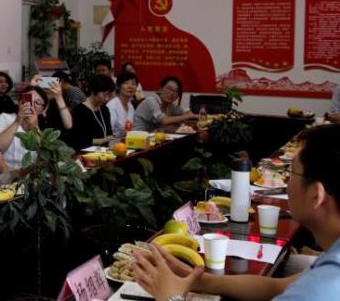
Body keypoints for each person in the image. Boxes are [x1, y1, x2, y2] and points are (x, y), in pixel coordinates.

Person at [132, 124, 340, 301]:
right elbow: (277, 287)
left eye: (292, 172)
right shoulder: (330, 263)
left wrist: (170, 297)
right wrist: (200, 280)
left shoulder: (322, 288)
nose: (287, 181)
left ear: (316, 195)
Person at [0, 85, 49, 170]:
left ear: (43, 110)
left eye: (37, 102)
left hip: (31, 173)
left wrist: (35, 128)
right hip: (6, 172)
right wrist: (17, 122)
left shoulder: (44, 127)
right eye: (28, 100)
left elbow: (45, 158)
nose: (31, 105)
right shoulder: (4, 117)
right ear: (19, 102)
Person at [133, 76, 197, 132]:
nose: (172, 93)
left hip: (153, 137)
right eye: (169, 88)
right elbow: (164, 120)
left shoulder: (170, 105)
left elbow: (187, 112)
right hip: (137, 137)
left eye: (176, 91)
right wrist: (188, 116)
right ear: (160, 89)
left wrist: (197, 118)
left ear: (178, 96)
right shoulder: (151, 101)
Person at [68, 75, 116, 150]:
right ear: (93, 91)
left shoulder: (105, 110)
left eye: (109, 95)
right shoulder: (79, 110)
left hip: (104, 152)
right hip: (84, 153)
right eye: (104, 95)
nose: (107, 99)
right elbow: (77, 140)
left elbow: (109, 135)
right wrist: (102, 140)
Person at [107, 72, 139, 137]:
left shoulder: (131, 106)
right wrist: (120, 135)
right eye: (126, 83)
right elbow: (107, 133)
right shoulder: (112, 106)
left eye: (133, 84)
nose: (130, 87)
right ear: (118, 86)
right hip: (113, 142)